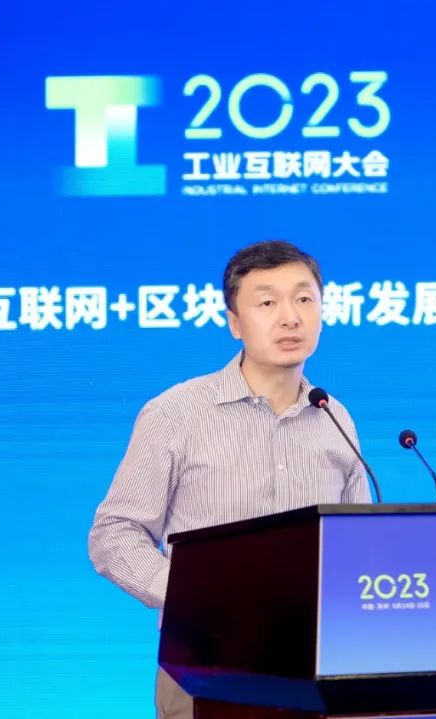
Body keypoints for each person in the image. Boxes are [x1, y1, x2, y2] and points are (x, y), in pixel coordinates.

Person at [88, 240, 372, 719]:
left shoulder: (333, 416)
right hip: (205, 659)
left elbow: (355, 545)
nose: (290, 317)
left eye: (304, 299)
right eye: (268, 302)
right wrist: (193, 597)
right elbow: (113, 534)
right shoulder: (176, 413)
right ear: (234, 322)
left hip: (317, 663)